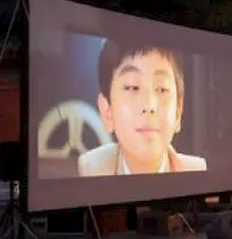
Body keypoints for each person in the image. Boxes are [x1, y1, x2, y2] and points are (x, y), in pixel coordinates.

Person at [77, 38, 207, 176]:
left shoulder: (196, 173)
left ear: (178, 112)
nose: (149, 105)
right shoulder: (92, 169)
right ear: (107, 111)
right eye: (133, 87)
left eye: (162, 89)